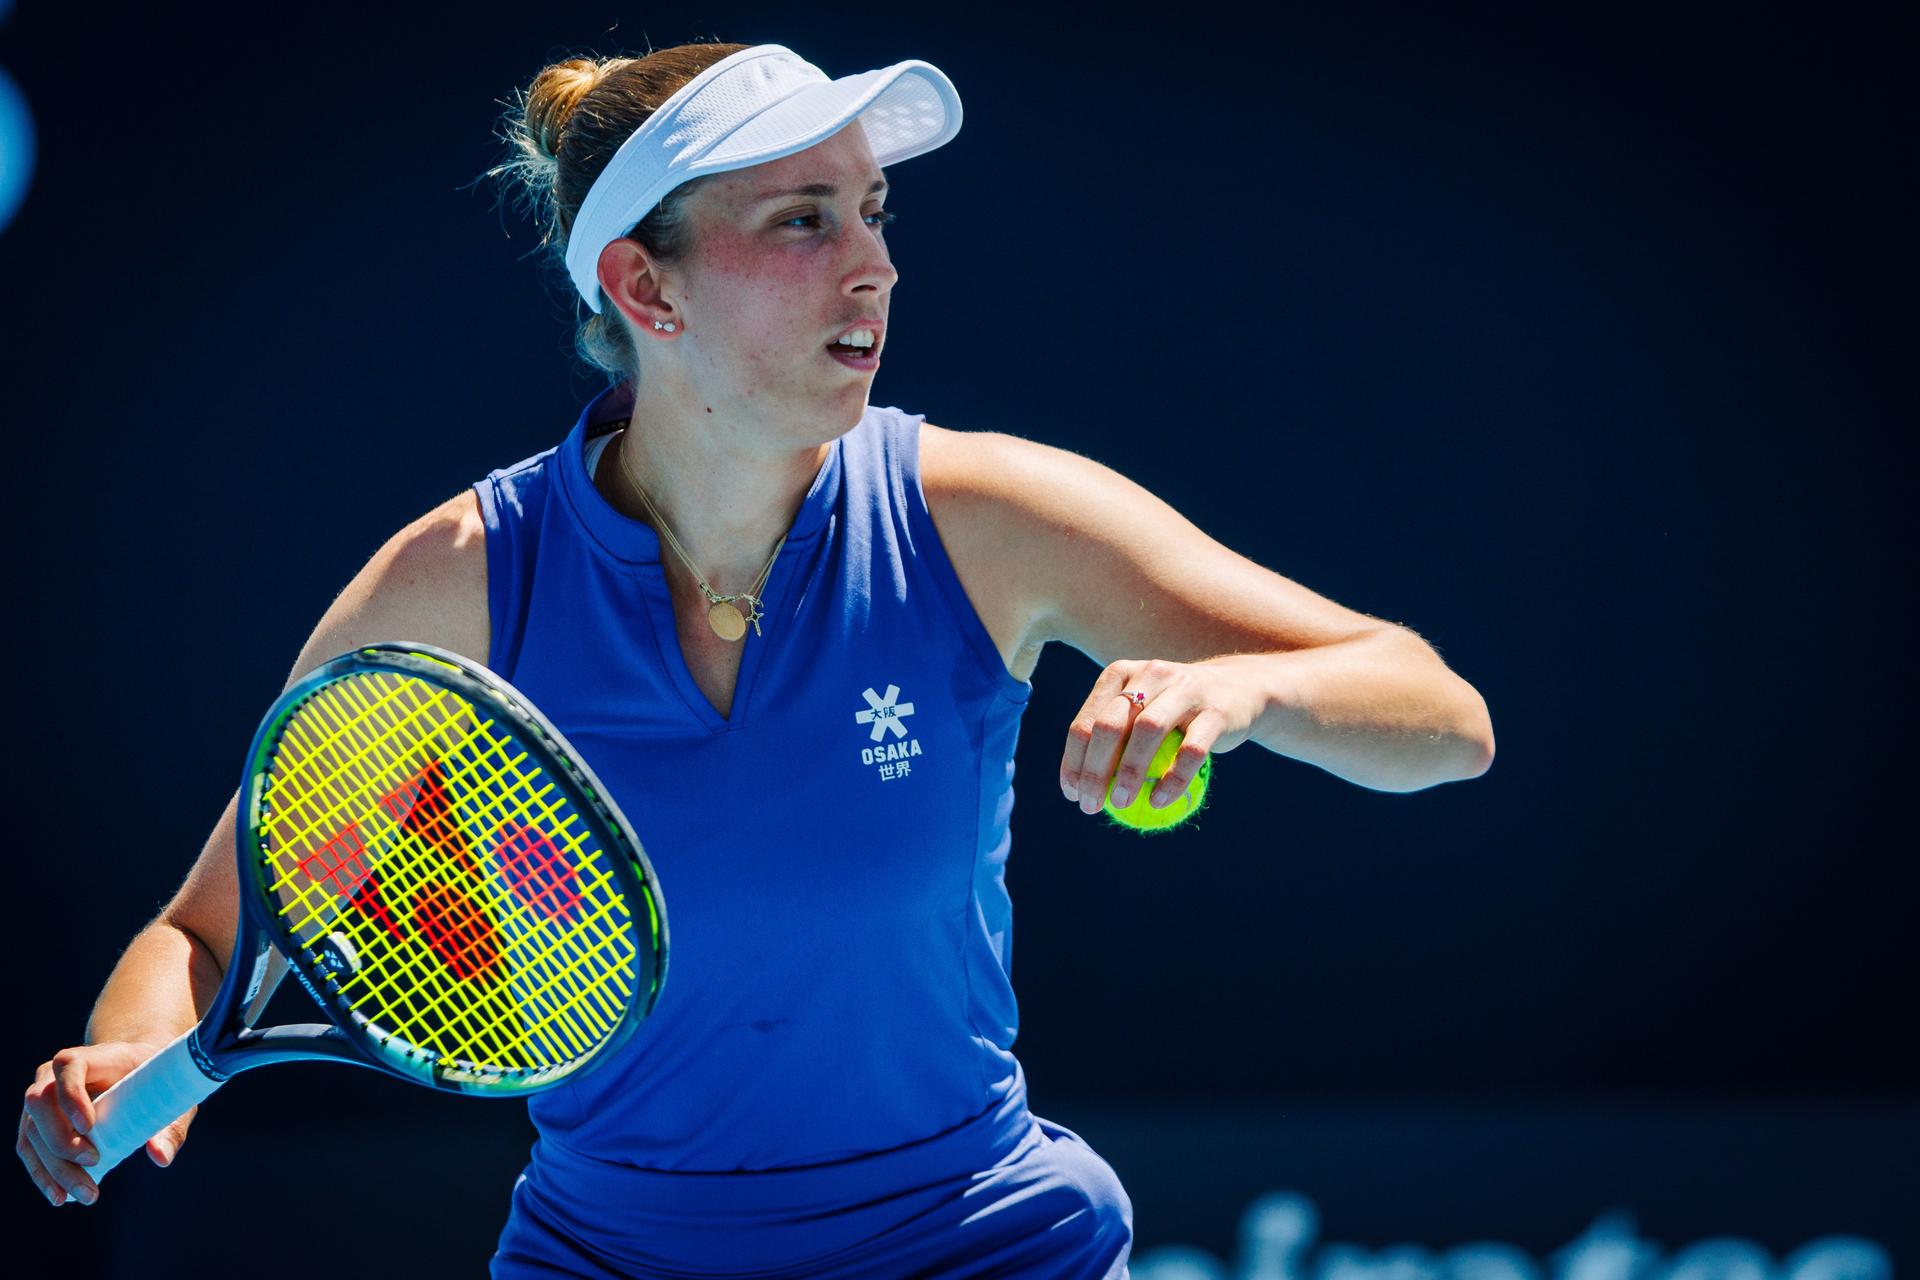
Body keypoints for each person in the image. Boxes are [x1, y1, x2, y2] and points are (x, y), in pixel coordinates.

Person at [16, 39, 1494, 1278]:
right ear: (646, 292)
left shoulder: (984, 519)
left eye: (876, 211)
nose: (877, 268)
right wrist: (123, 1066)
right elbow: (210, 935)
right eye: (804, 220)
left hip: (978, 1246)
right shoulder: (462, 586)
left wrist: (1249, 689)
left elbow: (1438, 717)